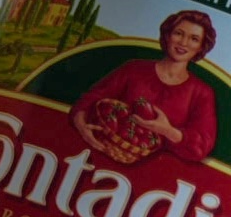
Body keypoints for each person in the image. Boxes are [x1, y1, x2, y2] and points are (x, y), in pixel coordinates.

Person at [71, 10, 219, 162]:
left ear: (201, 47)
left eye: (194, 39)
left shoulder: (202, 92)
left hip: (156, 173)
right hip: (104, 155)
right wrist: (82, 126)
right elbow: (90, 99)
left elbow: (202, 144)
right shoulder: (134, 69)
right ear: (167, 36)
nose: (183, 43)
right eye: (178, 33)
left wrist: (168, 131)